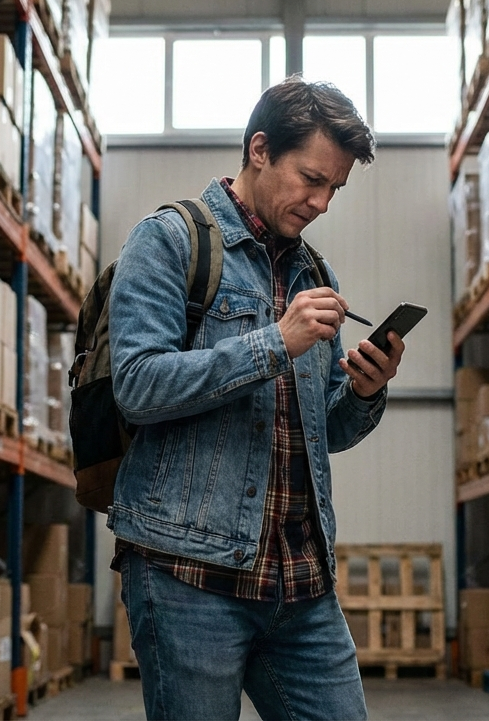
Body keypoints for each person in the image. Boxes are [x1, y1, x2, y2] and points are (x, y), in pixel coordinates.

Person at [106, 76, 407, 720]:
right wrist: (274, 342)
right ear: (260, 149)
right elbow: (137, 386)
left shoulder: (312, 272)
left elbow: (326, 429)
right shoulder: (169, 242)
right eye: (311, 179)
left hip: (300, 582)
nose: (322, 202)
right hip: (189, 576)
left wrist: (363, 391)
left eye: (334, 189)